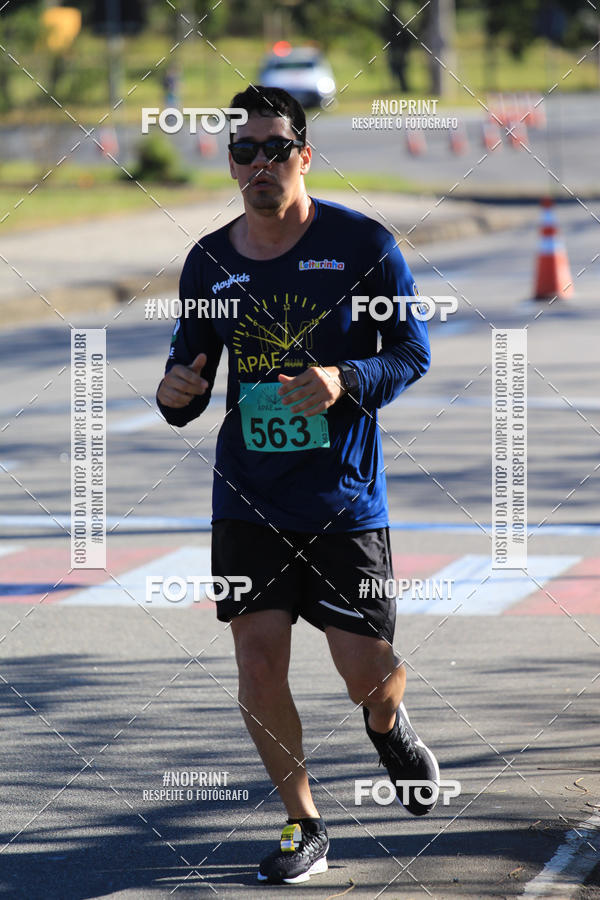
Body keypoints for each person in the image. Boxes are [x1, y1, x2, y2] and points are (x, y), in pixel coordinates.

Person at [156, 85, 439, 885]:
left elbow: (410, 355)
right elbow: (191, 372)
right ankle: (303, 823)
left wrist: (344, 379)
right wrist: (175, 395)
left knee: (367, 675)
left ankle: (388, 726)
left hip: (342, 497)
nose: (257, 164)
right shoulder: (208, 261)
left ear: (304, 156)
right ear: (231, 163)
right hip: (248, 493)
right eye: (243, 151)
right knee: (256, 663)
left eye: (274, 149)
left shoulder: (363, 247)